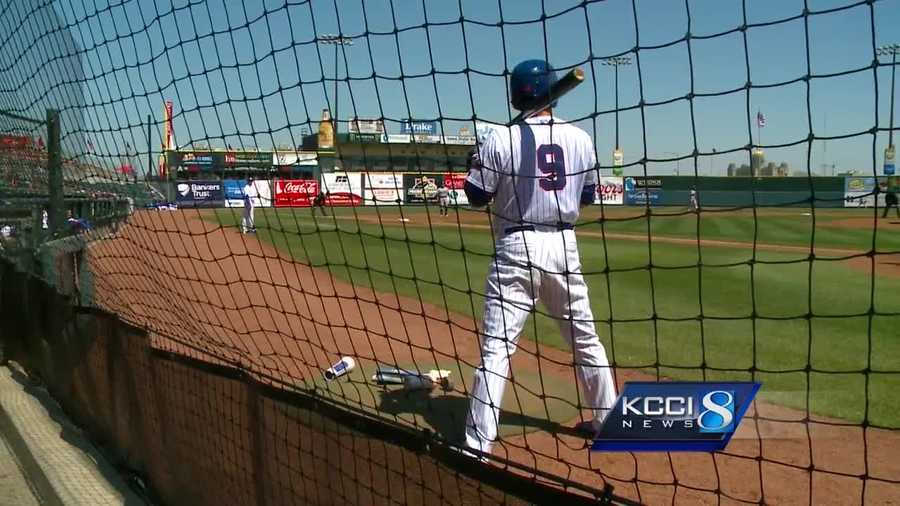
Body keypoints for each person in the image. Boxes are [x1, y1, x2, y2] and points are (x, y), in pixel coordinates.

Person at [462, 59, 618, 459]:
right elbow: (586, 197)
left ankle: (478, 445)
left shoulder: (500, 138)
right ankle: (607, 420)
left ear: (515, 94)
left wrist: (473, 165)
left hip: (516, 246)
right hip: (564, 246)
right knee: (585, 339)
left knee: (497, 348)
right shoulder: (581, 138)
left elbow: (477, 196)